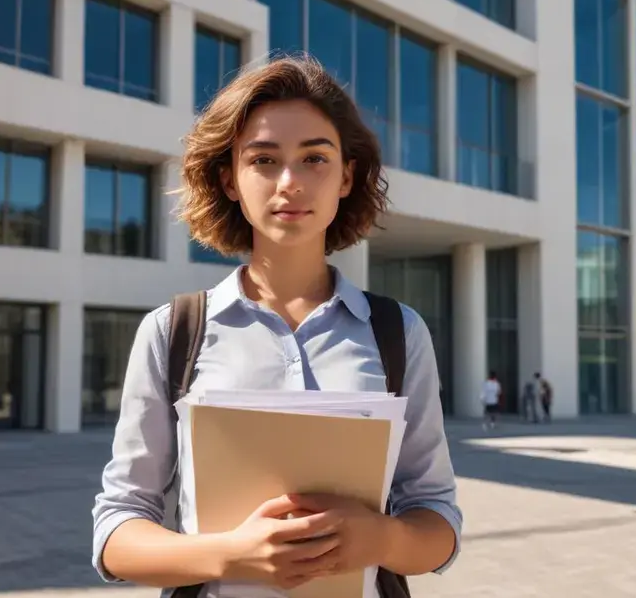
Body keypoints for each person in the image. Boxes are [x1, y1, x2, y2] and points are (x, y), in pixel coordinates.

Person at [90, 56, 462, 598]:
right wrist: (231, 555)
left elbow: (438, 520)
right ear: (231, 179)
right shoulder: (173, 331)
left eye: (315, 158)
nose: (290, 182)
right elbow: (116, 532)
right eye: (264, 159)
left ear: (346, 177)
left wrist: (380, 539)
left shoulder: (399, 333)